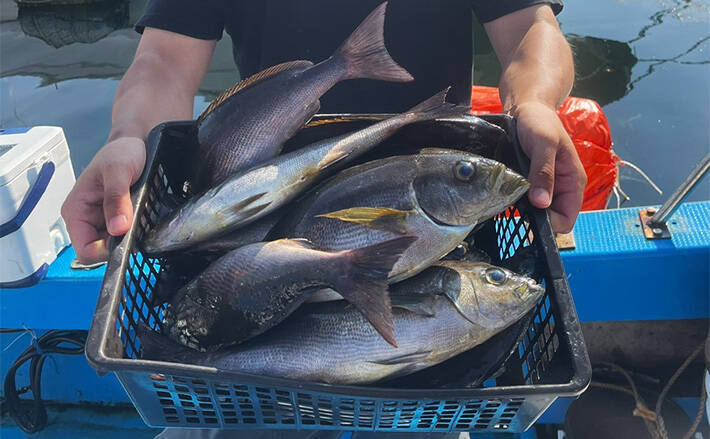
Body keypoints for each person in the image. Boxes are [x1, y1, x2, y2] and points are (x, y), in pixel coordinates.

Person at [61, 1, 584, 437]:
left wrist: (535, 105)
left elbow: (530, 26)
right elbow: (165, 59)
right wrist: (129, 138)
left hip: (438, 169)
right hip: (275, 189)